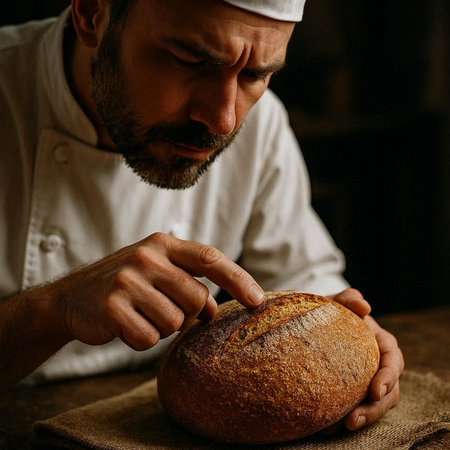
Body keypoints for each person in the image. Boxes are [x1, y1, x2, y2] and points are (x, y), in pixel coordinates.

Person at [0, 0, 403, 432]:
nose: (223, 118)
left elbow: (306, 282)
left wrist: (359, 341)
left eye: (255, 75)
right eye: (190, 61)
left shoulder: (261, 124)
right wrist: (55, 308)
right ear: (92, 15)